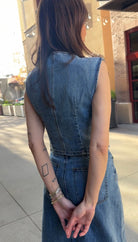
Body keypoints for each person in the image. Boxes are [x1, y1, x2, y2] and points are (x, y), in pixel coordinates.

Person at [25, 0, 126, 241]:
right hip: (95, 178)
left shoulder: (32, 81)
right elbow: (99, 147)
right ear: (71, 24)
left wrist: (57, 198)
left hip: (57, 175)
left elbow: (34, 142)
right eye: (84, 21)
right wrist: (90, 202)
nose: (85, 27)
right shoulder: (95, 69)